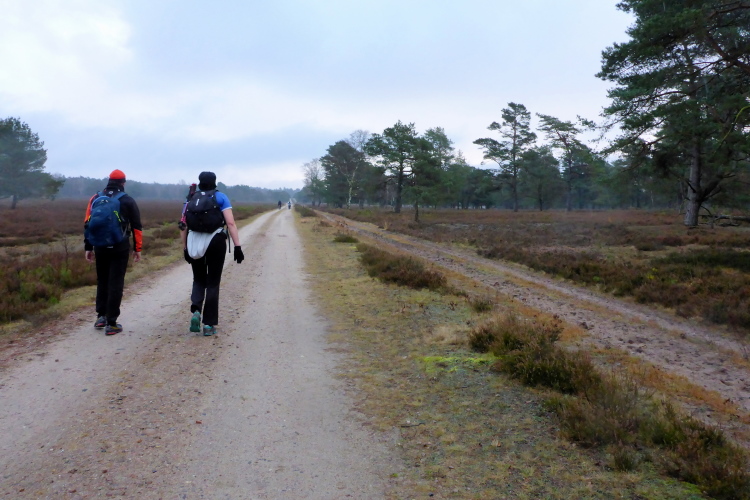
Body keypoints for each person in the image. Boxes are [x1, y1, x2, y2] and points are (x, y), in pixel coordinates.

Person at [181, 171, 244, 336]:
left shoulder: (190, 199)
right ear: (214, 182)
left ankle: (196, 310)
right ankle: (208, 325)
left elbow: (183, 225)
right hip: (215, 241)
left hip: (194, 241)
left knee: (198, 278)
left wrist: (185, 248)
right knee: (213, 282)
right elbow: (230, 223)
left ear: (199, 182)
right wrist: (237, 246)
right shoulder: (221, 197)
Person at [84, 169, 143, 335]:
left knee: (102, 280)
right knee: (116, 282)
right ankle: (112, 323)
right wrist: (137, 248)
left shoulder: (95, 198)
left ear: (109, 181)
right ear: (123, 182)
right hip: (119, 247)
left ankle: (101, 317)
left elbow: (87, 223)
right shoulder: (127, 200)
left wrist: (88, 247)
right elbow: (137, 226)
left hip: (99, 246)